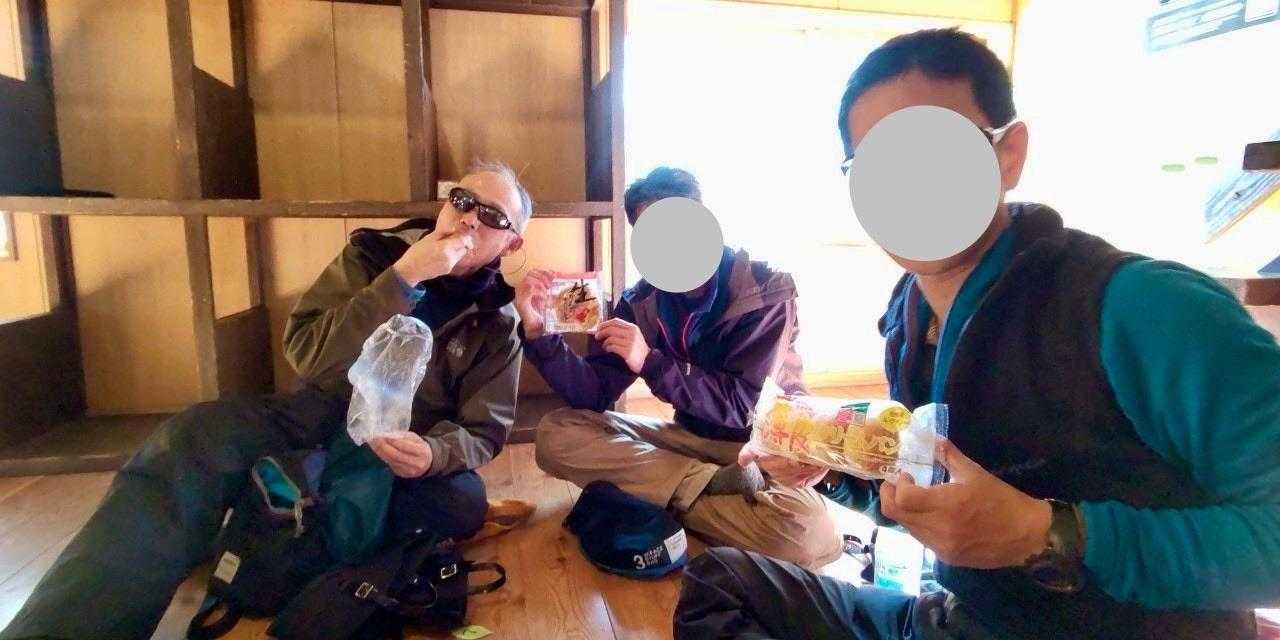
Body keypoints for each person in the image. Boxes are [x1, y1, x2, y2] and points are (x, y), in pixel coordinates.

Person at [675, 28, 1279, 639]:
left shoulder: (1145, 307)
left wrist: (1049, 533)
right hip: (963, 617)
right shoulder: (911, 316)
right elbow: (936, 498)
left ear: (1008, 154)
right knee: (718, 583)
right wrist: (829, 470)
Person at [0, 162, 533, 640]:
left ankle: (275, 531)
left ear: (511, 244)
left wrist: (433, 453)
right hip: (316, 411)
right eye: (462, 200)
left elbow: (484, 431)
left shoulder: (496, 323)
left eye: (492, 216)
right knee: (194, 438)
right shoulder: (373, 255)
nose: (470, 219)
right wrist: (403, 278)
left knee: (458, 502)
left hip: (400, 443)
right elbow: (309, 355)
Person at [517, 167, 843, 569]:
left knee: (810, 537)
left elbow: (746, 407)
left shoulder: (763, 291)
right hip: (689, 440)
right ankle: (700, 487)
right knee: (556, 433)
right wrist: (539, 334)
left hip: (763, 448)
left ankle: (657, 491)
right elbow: (594, 393)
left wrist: (650, 362)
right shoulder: (641, 301)